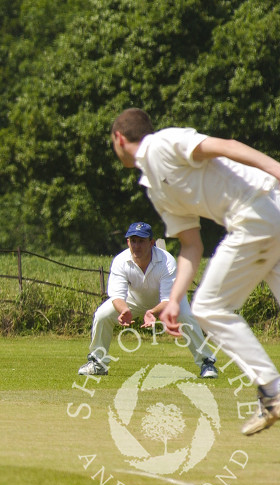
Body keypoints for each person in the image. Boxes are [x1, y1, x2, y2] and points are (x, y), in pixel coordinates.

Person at [110, 107, 280, 435]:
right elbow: (191, 246)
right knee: (201, 306)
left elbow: (227, 146)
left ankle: (272, 391)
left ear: (119, 138)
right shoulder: (155, 188)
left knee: (208, 308)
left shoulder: (161, 143)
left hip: (259, 208)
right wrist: (173, 300)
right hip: (265, 218)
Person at [78, 221, 217, 378]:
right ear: (128, 242)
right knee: (102, 315)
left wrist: (152, 312)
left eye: (141, 241)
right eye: (133, 241)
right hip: (134, 300)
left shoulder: (167, 261)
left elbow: (168, 299)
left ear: (151, 243)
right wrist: (123, 310)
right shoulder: (120, 261)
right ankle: (98, 363)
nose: (137, 246)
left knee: (186, 316)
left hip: (170, 300)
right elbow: (117, 296)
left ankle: (206, 362)